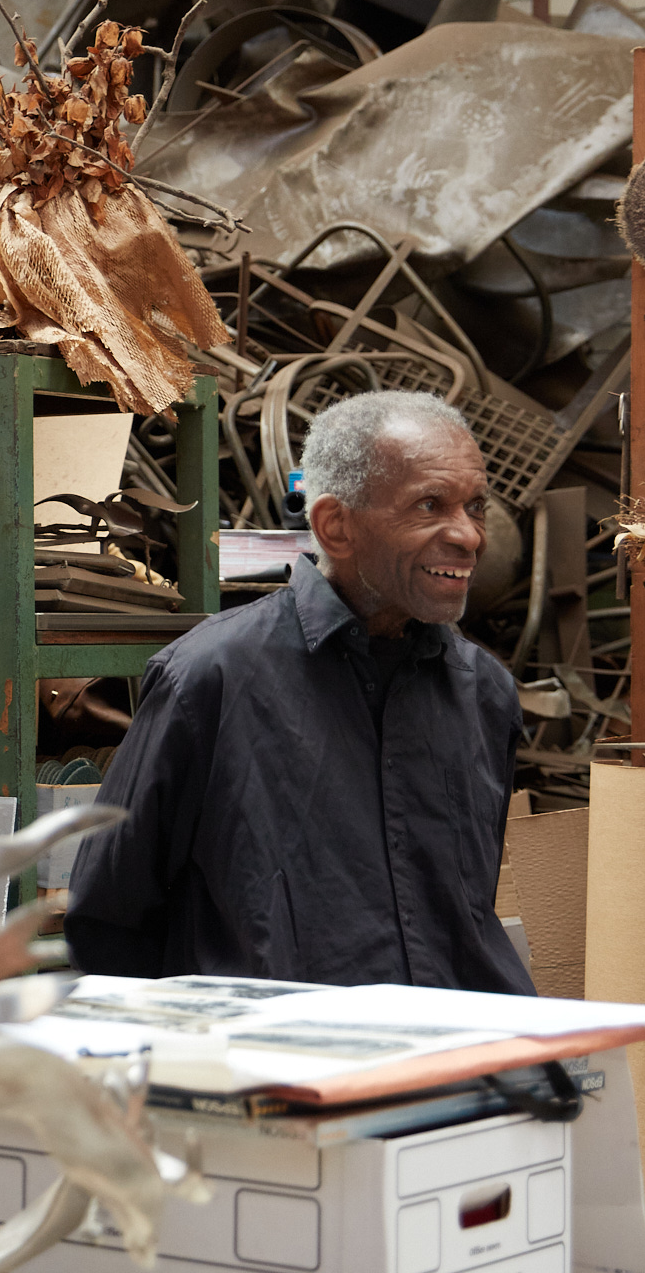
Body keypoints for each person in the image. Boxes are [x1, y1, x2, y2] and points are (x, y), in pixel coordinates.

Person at [65, 390, 533, 992]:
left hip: (451, 1062)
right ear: (335, 526)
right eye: (430, 505)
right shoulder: (210, 678)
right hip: (274, 1069)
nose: (468, 535)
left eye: (475, 506)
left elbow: (467, 907)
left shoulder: (484, 693)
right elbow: (108, 919)